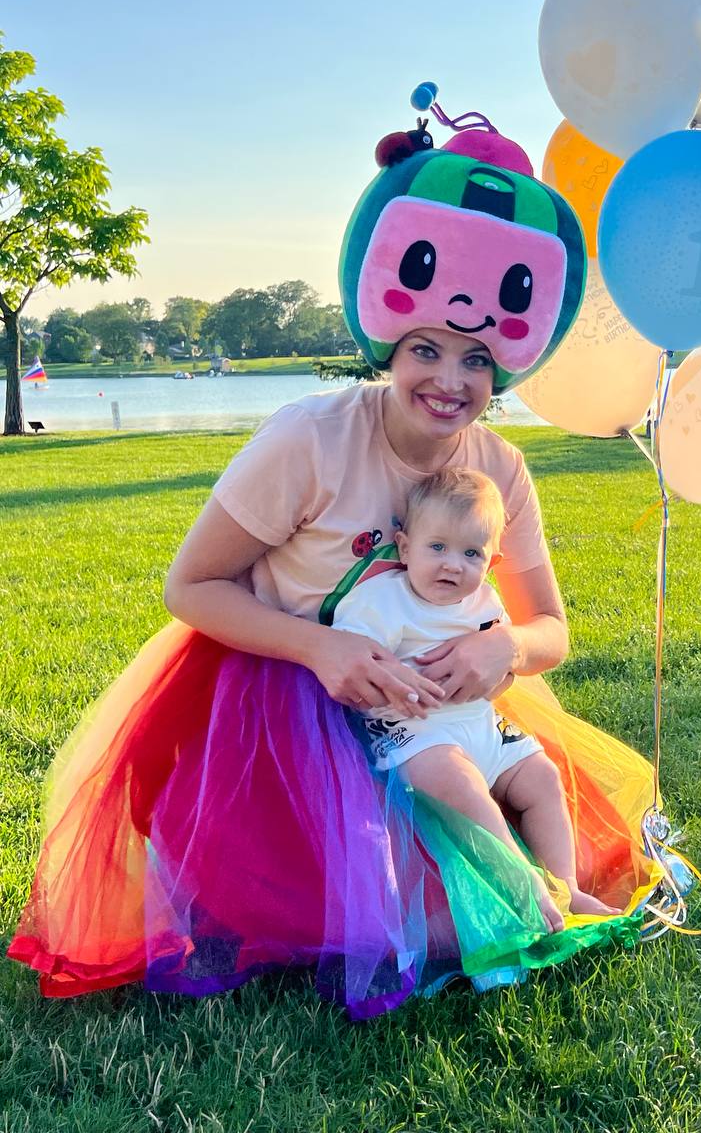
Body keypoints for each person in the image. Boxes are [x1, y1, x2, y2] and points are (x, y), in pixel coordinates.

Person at [9, 104, 660, 1018]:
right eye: (426, 349)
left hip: (437, 698)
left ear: (507, 367)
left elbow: (551, 627)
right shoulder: (311, 439)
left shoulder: (500, 469)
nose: (450, 380)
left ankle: (535, 889)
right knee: (390, 920)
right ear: (388, 340)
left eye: (478, 360)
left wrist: (503, 651)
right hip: (283, 692)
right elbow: (188, 586)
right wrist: (321, 651)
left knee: (506, 817)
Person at [333, 466, 617, 931]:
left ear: (491, 561)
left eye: (471, 553)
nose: (452, 564)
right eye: (437, 547)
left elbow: (505, 664)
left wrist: (502, 674)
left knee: (542, 776)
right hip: (414, 730)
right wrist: (398, 678)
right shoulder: (382, 602)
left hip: (479, 722)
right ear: (405, 548)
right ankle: (521, 880)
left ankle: (567, 886)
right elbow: (356, 660)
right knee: (459, 783)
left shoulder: (485, 602)